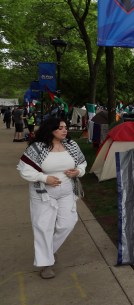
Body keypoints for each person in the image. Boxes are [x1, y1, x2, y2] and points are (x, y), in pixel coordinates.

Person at [17, 118, 87, 279]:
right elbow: (24, 170)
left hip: (67, 191)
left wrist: (78, 171)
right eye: (60, 128)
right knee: (43, 227)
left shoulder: (71, 145)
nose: (65, 130)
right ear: (50, 129)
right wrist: (44, 178)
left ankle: (49, 251)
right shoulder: (37, 148)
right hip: (43, 193)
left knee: (67, 223)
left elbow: (82, 163)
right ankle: (46, 264)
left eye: (65, 127)